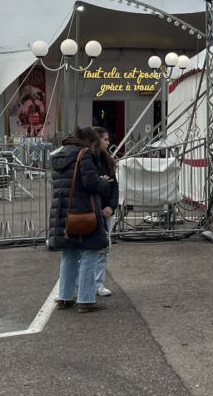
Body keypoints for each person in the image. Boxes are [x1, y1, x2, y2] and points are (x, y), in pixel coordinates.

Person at [49, 126, 111, 313]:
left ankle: (64, 297)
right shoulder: (83, 154)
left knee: (69, 254)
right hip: (84, 211)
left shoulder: (58, 154)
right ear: (90, 141)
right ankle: (85, 299)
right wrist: (103, 183)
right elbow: (90, 183)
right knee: (89, 253)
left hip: (63, 212)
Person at [92, 126, 119, 298]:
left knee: (103, 248)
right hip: (93, 210)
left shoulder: (108, 161)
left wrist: (111, 206)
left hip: (106, 210)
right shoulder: (89, 160)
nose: (108, 143)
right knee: (88, 250)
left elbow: (115, 185)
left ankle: (98, 283)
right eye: (105, 139)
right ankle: (84, 284)